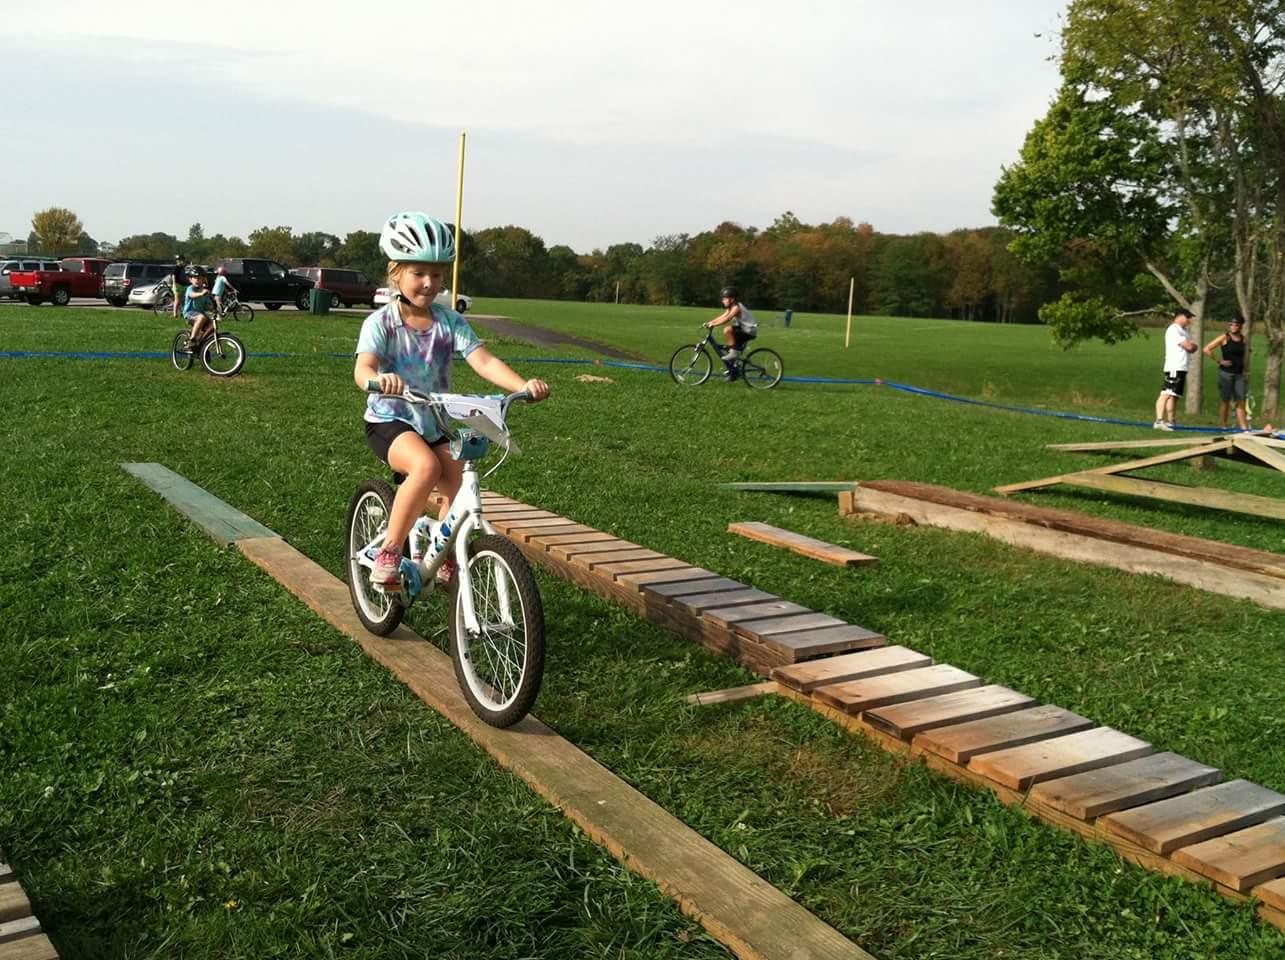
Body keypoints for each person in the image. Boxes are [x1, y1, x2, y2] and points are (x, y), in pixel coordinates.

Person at [353, 211, 550, 588]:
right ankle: (390, 550)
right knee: (425, 468)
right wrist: (377, 380)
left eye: (438, 274)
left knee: (459, 484)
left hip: (434, 421)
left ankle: (442, 554)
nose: (429, 283)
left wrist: (522, 385)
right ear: (395, 272)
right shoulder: (380, 323)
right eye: (418, 273)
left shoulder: (449, 322)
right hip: (389, 420)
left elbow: (483, 360)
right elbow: (363, 368)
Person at [1203, 314, 1250, 431]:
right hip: (1226, 374)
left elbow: (1245, 356)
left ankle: (1244, 427)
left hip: (1239, 374)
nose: (1233, 327)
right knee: (1226, 400)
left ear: (1240, 326)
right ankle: (1223, 425)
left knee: (1241, 400)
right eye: (1231, 324)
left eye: (1236, 325)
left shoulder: (1244, 339)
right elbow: (1206, 349)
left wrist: (1245, 371)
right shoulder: (1224, 338)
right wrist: (1219, 361)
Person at [1153, 307, 1198, 430]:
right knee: (1166, 393)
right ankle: (1159, 420)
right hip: (1174, 366)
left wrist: (1192, 346)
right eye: (1187, 317)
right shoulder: (1174, 330)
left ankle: (1171, 421)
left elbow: (1192, 347)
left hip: (1182, 367)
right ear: (1180, 316)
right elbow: (1189, 346)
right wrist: (1192, 346)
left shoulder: (1184, 331)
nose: (1189, 320)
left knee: (1174, 395)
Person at [704, 285, 758, 380]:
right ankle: (733, 372)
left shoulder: (736, 308)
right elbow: (722, 316)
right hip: (743, 329)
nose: (723, 300)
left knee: (728, 330)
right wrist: (710, 322)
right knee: (730, 348)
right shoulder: (731, 308)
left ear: (732, 299)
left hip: (748, 331)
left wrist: (713, 325)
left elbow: (727, 319)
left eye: (725, 298)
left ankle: (734, 353)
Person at [183, 269, 215, 347]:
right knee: (201, 317)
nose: (197, 280)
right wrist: (201, 294)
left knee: (213, 326)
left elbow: (208, 305)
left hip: (201, 314)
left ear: (203, 279)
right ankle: (192, 340)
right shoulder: (190, 288)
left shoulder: (205, 292)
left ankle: (202, 345)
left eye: (199, 278)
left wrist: (212, 307)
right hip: (189, 313)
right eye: (194, 278)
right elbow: (191, 295)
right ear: (190, 279)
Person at [171, 254, 188, 319]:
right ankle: (175, 314)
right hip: (177, 285)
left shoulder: (182, 268)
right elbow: (173, 276)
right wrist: (174, 285)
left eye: (181, 260)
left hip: (182, 285)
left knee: (181, 300)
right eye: (179, 260)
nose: (181, 262)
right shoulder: (176, 267)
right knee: (177, 300)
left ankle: (181, 312)